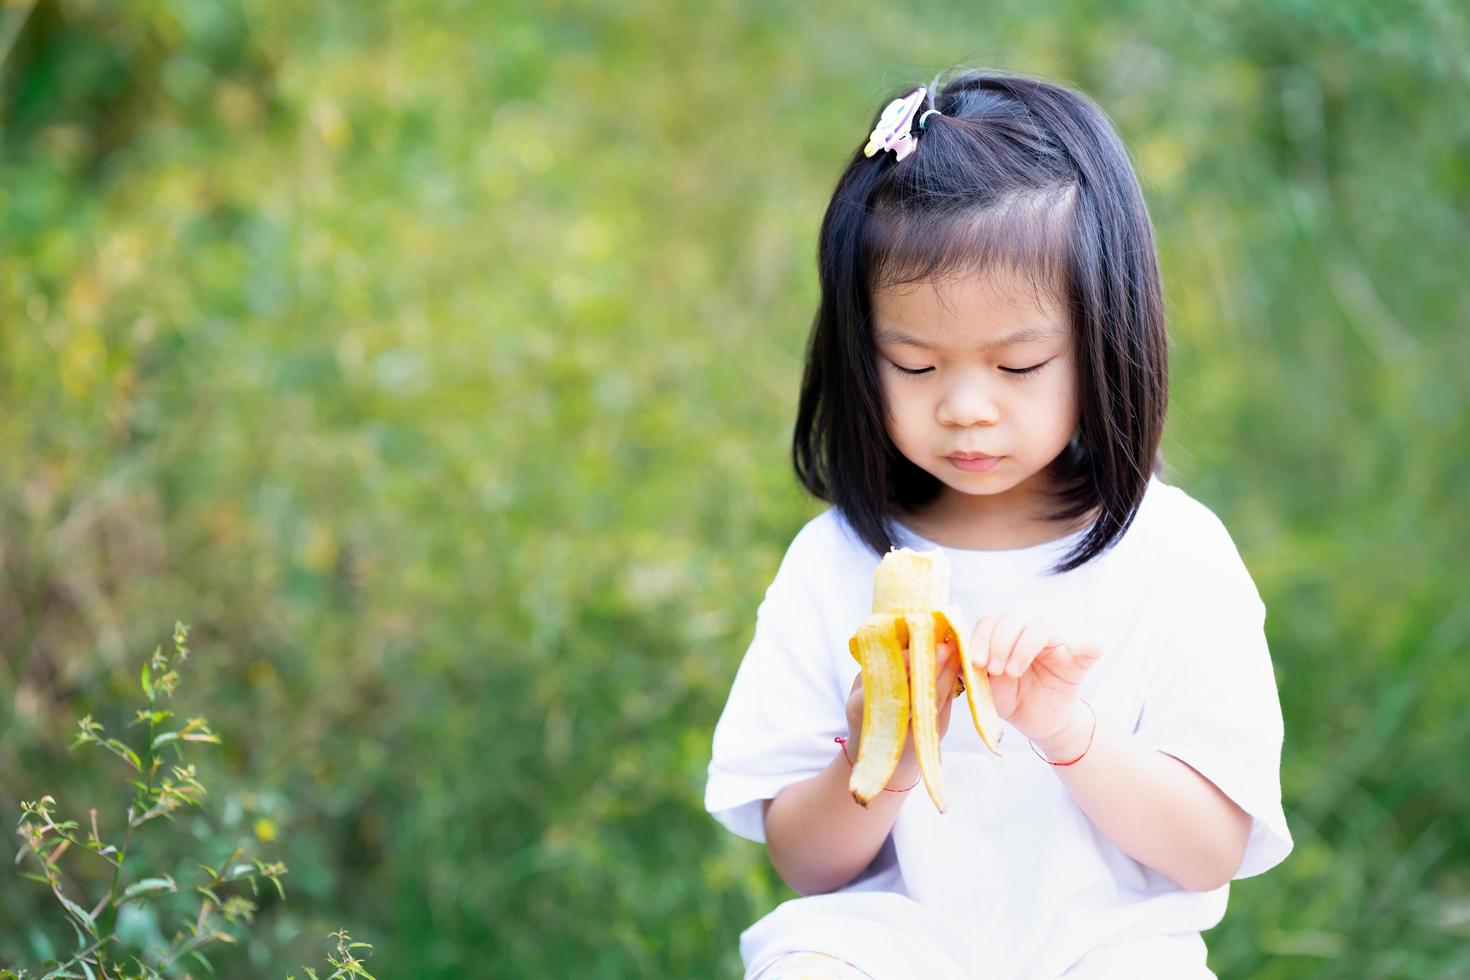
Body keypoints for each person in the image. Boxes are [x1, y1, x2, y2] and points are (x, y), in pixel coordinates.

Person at [704, 69, 1293, 979]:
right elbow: (806, 862)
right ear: (861, 354)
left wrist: (1067, 729)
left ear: (1106, 341)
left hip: (1109, 948)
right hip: (888, 944)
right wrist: (882, 748)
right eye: (913, 364)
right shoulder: (836, 563)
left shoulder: (1174, 557)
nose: (966, 409)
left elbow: (1208, 849)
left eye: (1019, 366)